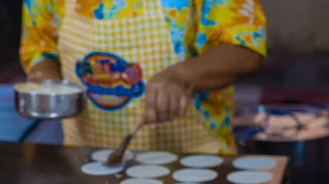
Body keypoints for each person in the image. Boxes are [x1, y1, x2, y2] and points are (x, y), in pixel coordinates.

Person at [20, 0, 266, 154]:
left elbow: (243, 48)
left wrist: (182, 76)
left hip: (191, 162)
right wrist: (46, 79)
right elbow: (40, 49)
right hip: (84, 157)